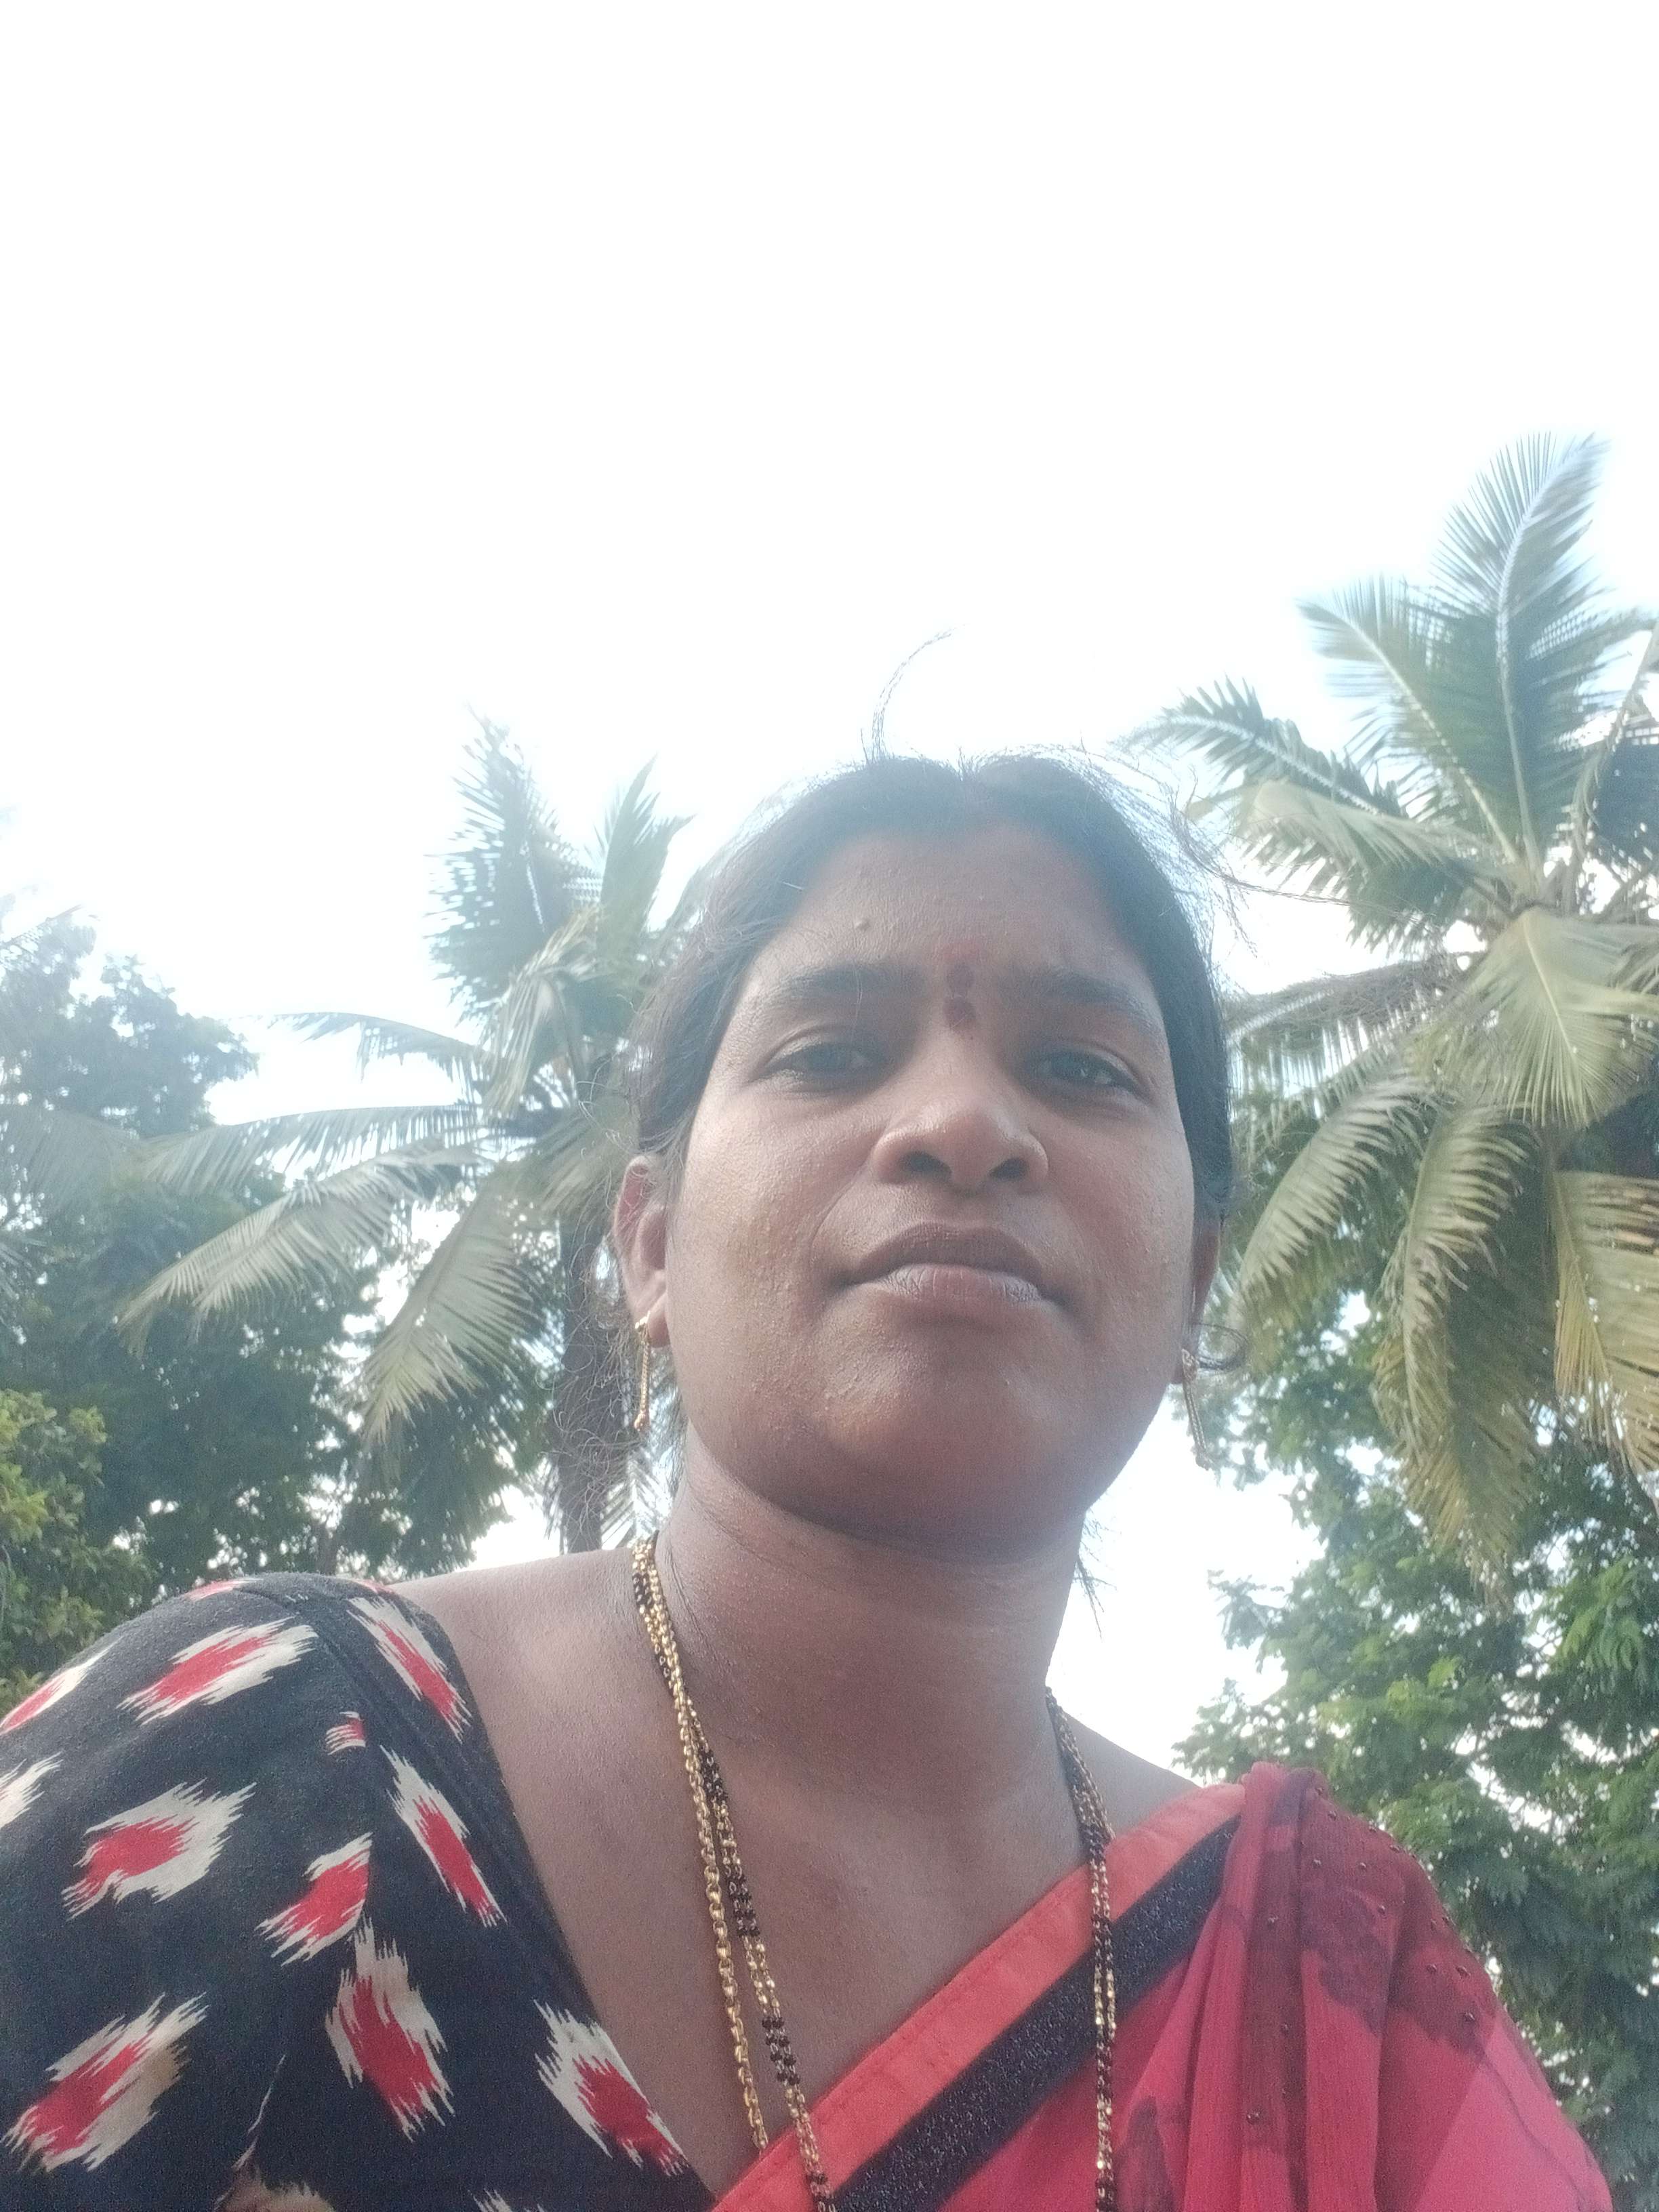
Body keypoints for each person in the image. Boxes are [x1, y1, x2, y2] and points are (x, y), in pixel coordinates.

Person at [0, 753, 1611, 2212]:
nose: (966, 1123)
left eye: (1083, 1068)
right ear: (648, 1242)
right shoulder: (265, 1756)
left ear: (1193, 1283)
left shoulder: (1335, 1983)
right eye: (832, 1052)